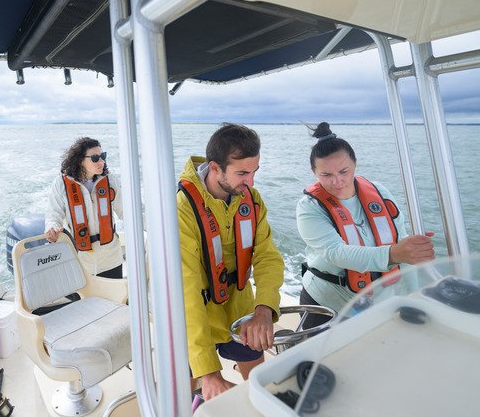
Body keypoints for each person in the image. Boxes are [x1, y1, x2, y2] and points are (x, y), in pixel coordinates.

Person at [177, 123, 285, 402]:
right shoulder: (181, 209)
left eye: (254, 172)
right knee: (187, 396)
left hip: (240, 310)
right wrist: (208, 373)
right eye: (242, 173)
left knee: (262, 389)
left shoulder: (251, 200)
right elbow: (186, 289)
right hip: (193, 317)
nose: (251, 182)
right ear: (215, 168)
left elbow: (267, 257)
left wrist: (263, 311)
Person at [297, 122, 435, 328]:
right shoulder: (308, 208)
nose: (337, 181)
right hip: (326, 303)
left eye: (344, 171)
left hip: (376, 302)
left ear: (355, 164)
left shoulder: (379, 192)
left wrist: (413, 296)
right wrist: (394, 254)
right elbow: (337, 253)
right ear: (313, 172)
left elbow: (404, 248)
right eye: (326, 175)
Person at [45, 137, 124, 278]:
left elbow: (127, 212)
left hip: (111, 258)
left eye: (102, 156)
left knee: (115, 300)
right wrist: (52, 228)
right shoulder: (61, 184)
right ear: (80, 160)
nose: (101, 161)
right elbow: (54, 215)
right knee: (84, 300)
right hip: (79, 260)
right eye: (95, 158)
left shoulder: (111, 181)